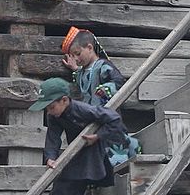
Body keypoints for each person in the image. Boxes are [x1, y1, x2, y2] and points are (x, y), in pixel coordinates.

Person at [28, 77, 129, 195]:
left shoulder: (83, 110)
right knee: (71, 190)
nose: (50, 112)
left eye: (51, 107)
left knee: (63, 187)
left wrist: (98, 136)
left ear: (65, 100)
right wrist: (50, 157)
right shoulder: (54, 116)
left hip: (93, 153)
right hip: (77, 154)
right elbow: (53, 136)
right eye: (47, 108)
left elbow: (114, 119)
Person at [60, 26, 141, 166]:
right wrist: (74, 69)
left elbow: (118, 81)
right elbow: (82, 84)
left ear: (90, 48)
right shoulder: (82, 72)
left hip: (107, 114)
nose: (76, 59)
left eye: (78, 53)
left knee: (113, 145)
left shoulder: (103, 66)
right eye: (73, 55)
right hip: (91, 116)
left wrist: (106, 88)